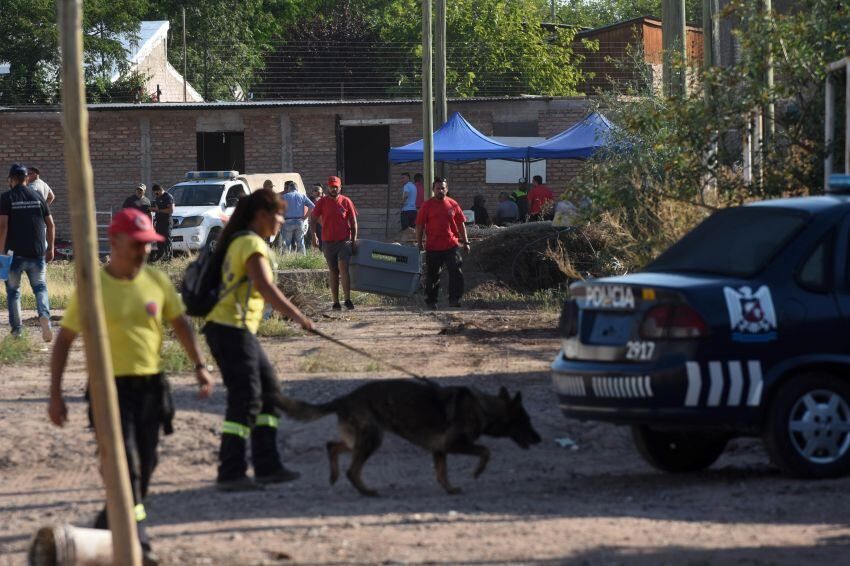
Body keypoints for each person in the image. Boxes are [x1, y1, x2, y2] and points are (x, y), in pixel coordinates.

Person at [48, 207, 214, 565]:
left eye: (148, 244)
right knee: (125, 467)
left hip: (152, 387)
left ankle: (102, 533)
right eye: (137, 244)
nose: (144, 251)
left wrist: (200, 366)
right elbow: (63, 341)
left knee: (147, 464)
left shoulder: (156, 280)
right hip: (108, 389)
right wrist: (55, 394)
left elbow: (181, 324)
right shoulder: (93, 287)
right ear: (115, 241)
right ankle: (139, 544)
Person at [203, 188, 315, 491]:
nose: (282, 220)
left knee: (269, 391)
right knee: (246, 397)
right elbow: (265, 287)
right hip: (229, 328)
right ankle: (231, 471)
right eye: (278, 215)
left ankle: (267, 465)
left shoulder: (244, 240)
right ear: (262, 216)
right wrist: (299, 317)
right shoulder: (250, 243)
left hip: (236, 329)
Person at [0, 163, 54, 340]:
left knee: (14, 292)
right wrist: (51, 248)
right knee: (40, 287)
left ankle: (17, 331)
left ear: (11, 179)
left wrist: (1, 252)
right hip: (37, 253)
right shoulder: (38, 196)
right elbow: (50, 224)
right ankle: (44, 317)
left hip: (13, 254)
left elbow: (3, 226)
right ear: (26, 178)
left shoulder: (7, 197)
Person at [416, 177, 470, 309]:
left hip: (451, 245)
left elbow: (461, 224)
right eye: (438, 188)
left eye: (443, 188)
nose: (440, 190)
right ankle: (431, 301)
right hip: (433, 247)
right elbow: (420, 225)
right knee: (433, 275)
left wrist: (466, 242)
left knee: (456, 272)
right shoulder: (427, 205)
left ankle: (455, 300)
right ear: (433, 190)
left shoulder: (453, 204)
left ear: (447, 189)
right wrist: (419, 242)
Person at [312, 176, 358, 310]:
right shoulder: (322, 202)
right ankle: (335, 302)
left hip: (344, 241)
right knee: (333, 270)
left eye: (336, 187)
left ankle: (347, 299)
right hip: (328, 242)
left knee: (343, 268)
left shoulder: (346, 201)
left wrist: (354, 241)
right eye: (331, 187)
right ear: (328, 187)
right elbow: (313, 219)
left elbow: (353, 222)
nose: (334, 189)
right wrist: (314, 235)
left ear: (340, 187)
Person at [279, 180, 315, 255]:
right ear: (297, 188)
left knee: (286, 242)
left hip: (288, 221)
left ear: (289, 188)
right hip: (299, 221)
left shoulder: (284, 197)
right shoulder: (302, 196)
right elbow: (312, 206)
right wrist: (305, 217)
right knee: (300, 242)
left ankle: (285, 259)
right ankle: (302, 258)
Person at [150, 184, 174, 262]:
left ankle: (168, 258)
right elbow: (158, 208)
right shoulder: (158, 197)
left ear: (161, 190)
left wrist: (158, 210)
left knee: (167, 240)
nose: (156, 195)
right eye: (155, 193)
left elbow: (171, 210)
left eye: (157, 193)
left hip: (166, 221)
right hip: (159, 221)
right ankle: (161, 258)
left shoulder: (168, 197)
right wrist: (153, 209)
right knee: (159, 241)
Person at [307, 184, 324, 250]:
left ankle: (319, 250)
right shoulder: (311, 200)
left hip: (319, 222)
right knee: (314, 237)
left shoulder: (322, 200)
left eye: (320, 192)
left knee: (319, 237)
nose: (320, 193)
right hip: (315, 222)